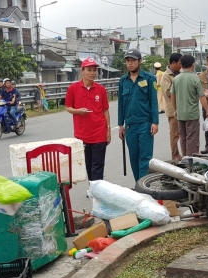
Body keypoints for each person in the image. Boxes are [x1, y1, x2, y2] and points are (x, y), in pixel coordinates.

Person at [65, 57, 111, 181]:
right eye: (89, 70)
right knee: (88, 164)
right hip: (82, 134)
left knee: (98, 165)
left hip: (99, 133)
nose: (92, 73)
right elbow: (68, 107)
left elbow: (105, 110)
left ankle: (97, 190)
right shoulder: (73, 88)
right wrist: (78, 111)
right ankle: (93, 187)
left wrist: (108, 130)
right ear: (82, 71)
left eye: (94, 70)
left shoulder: (101, 89)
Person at [117, 48, 159, 182]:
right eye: (128, 61)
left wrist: (155, 122)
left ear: (139, 61)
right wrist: (120, 125)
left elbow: (153, 101)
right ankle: (139, 184)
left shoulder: (149, 78)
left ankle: (144, 186)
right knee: (134, 157)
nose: (130, 63)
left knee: (145, 158)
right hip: (130, 125)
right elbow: (120, 104)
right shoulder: (123, 81)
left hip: (145, 124)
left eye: (133, 60)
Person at [171, 55, 208, 158]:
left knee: (183, 138)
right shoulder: (195, 78)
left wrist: (175, 110)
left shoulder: (176, 78)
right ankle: (191, 162)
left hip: (180, 114)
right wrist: (207, 111)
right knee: (192, 139)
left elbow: (172, 96)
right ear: (193, 64)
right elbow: (202, 96)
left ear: (181, 65)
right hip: (192, 114)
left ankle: (185, 159)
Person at [160, 53, 182, 161]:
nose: (181, 65)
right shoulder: (166, 76)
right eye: (179, 63)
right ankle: (175, 154)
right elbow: (168, 92)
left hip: (182, 108)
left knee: (183, 133)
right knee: (174, 134)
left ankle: (183, 154)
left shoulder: (180, 73)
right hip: (173, 110)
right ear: (173, 63)